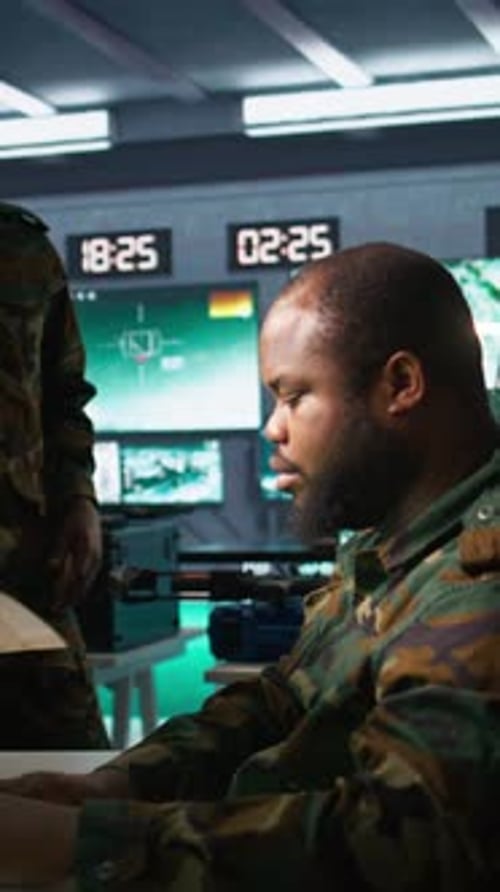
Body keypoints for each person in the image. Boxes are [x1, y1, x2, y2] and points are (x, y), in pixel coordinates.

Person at [0, 241, 499, 889]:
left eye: (294, 397)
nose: (273, 429)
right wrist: (116, 782)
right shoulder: (397, 536)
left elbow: (405, 845)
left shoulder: (480, 587)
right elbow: (285, 698)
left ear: (401, 386)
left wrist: (79, 844)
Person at [0, 201, 108, 749]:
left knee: (74, 775)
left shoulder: (18, 246)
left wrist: (79, 498)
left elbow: (63, 393)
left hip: (24, 569)